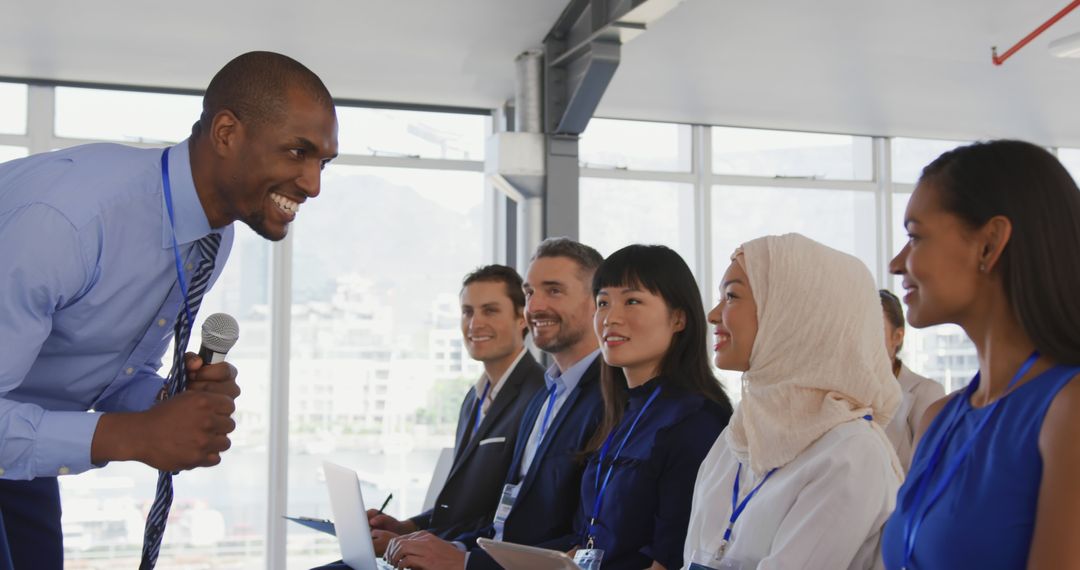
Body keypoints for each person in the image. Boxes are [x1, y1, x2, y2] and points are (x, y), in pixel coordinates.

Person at [0, 51, 339, 569]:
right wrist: (135, 436)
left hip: (20, 436)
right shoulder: (68, 222)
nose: (314, 184)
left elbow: (114, 373)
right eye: (298, 152)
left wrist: (166, 402)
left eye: (323, 162)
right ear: (226, 133)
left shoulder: (210, 238)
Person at [881, 140, 1080, 569]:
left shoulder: (1068, 411)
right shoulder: (939, 418)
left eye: (915, 236)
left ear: (989, 244)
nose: (897, 263)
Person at [381, 237, 606, 570]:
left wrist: (465, 560)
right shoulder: (544, 397)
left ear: (596, 302)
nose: (537, 305)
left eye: (554, 290)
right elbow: (508, 517)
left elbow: (580, 537)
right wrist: (441, 543)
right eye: (530, 293)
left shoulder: (609, 398)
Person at [683, 233, 902, 570]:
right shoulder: (740, 437)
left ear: (795, 314)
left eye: (731, 296)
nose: (713, 315)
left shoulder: (852, 454)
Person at [558, 244, 733, 570]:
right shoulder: (619, 412)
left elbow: (672, 557)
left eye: (632, 301)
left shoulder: (697, 422)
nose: (610, 318)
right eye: (603, 303)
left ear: (679, 318)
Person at [366, 265, 545, 550]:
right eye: (468, 311)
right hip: (439, 547)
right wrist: (406, 526)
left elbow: (512, 513)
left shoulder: (538, 397)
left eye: (490, 310)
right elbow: (460, 507)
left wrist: (413, 541)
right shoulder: (472, 399)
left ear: (522, 317)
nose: (475, 324)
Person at [879, 289, 944, 473]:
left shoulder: (925, 392)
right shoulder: (846, 394)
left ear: (897, 337)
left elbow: (932, 471)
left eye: (875, 329)